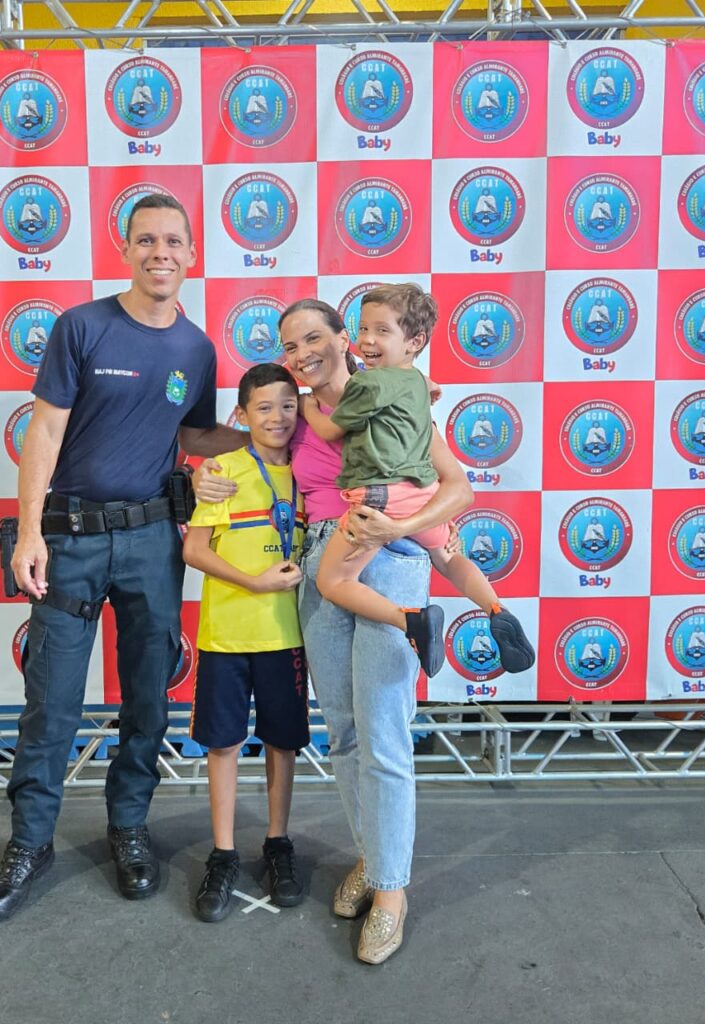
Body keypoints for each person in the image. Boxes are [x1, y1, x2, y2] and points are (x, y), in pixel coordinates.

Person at [0, 193, 243, 923]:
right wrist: (31, 532)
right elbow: (44, 433)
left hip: (154, 542)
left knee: (148, 699)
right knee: (52, 702)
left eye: (174, 241)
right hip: (70, 539)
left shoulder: (197, 349)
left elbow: (193, 436)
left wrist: (279, 430)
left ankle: (128, 827)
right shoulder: (82, 326)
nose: (161, 253)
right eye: (147, 240)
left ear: (192, 255)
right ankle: (30, 844)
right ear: (125, 249)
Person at [195, 297, 473, 965]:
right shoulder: (298, 411)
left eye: (314, 338)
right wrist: (202, 473)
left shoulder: (391, 397)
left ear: (345, 339)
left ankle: (392, 893)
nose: (301, 354)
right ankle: (374, 858)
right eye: (290, 345)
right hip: (319, 566)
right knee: (344, 732)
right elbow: (234, 437)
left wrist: (408, 528)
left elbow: (456, 485)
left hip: (387, 561)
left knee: (383, 734)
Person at [297, 284, 535, 677]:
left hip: (378, 498)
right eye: (364, 329)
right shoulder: (418, 383)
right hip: (423, 492)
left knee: (333, 580)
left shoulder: (368, 384)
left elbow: (329, 430)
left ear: (415, 341)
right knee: (449, 558)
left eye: (381, 330)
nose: (367, 339)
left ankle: (410, 621)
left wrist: (307, 406)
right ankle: (495, 608)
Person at [183, 363, 309, 923]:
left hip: (288, 637)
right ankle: (224, 853)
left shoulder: (311, 471)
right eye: (263, 407)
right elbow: (194, 550)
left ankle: (278, 843)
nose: (277, 417)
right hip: (226, 635)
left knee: (283, 744)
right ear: (242, 414)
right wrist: (255, 582)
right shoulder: (224, 470)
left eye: (288, 405)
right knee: (224, 745)